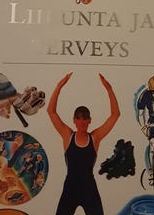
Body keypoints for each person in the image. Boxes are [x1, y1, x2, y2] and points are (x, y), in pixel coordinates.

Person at [47, 72, 120, 215]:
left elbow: (115, 115)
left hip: (89, 189)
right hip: (70, 188)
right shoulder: (68, 135)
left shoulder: (95, 138)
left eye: (85, 118)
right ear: (74, 120)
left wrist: (109, 89)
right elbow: (51, 112)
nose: (82, 122)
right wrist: (59, 86)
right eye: (79, 118)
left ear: (89, 120)